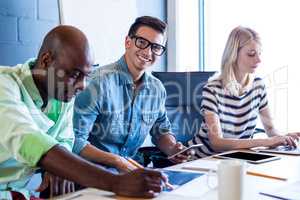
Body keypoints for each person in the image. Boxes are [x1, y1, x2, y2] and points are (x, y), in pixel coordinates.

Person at [0, 25, 168, 200]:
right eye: (74, 74)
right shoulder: (4, 85)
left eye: (85, 76)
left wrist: (56, 167)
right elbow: (29, 139)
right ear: (46, 60)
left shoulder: (61, 93)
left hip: (17, 193)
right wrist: (117, 182)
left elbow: (66, 139)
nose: (82, 86)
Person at [73, 16, 188, 172]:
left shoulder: (157, 89)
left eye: (156, 47)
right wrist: (116, 161)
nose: (148, 52)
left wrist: (173, 148)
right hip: (95, 172)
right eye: (141, 42)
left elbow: (161, 131)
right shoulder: (98, 83)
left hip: (133, 171)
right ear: (128, 42)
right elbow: (75, 141)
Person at [188, 26, 300, 158]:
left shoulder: (258, 85)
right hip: (204, 160)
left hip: (236, 159)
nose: (258, 60)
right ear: (233, 55)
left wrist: (283, 137)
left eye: (259, 53)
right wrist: (268, 142)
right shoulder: (212, 89)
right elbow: (217, 143)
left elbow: (270, 130)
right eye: (251, 54)